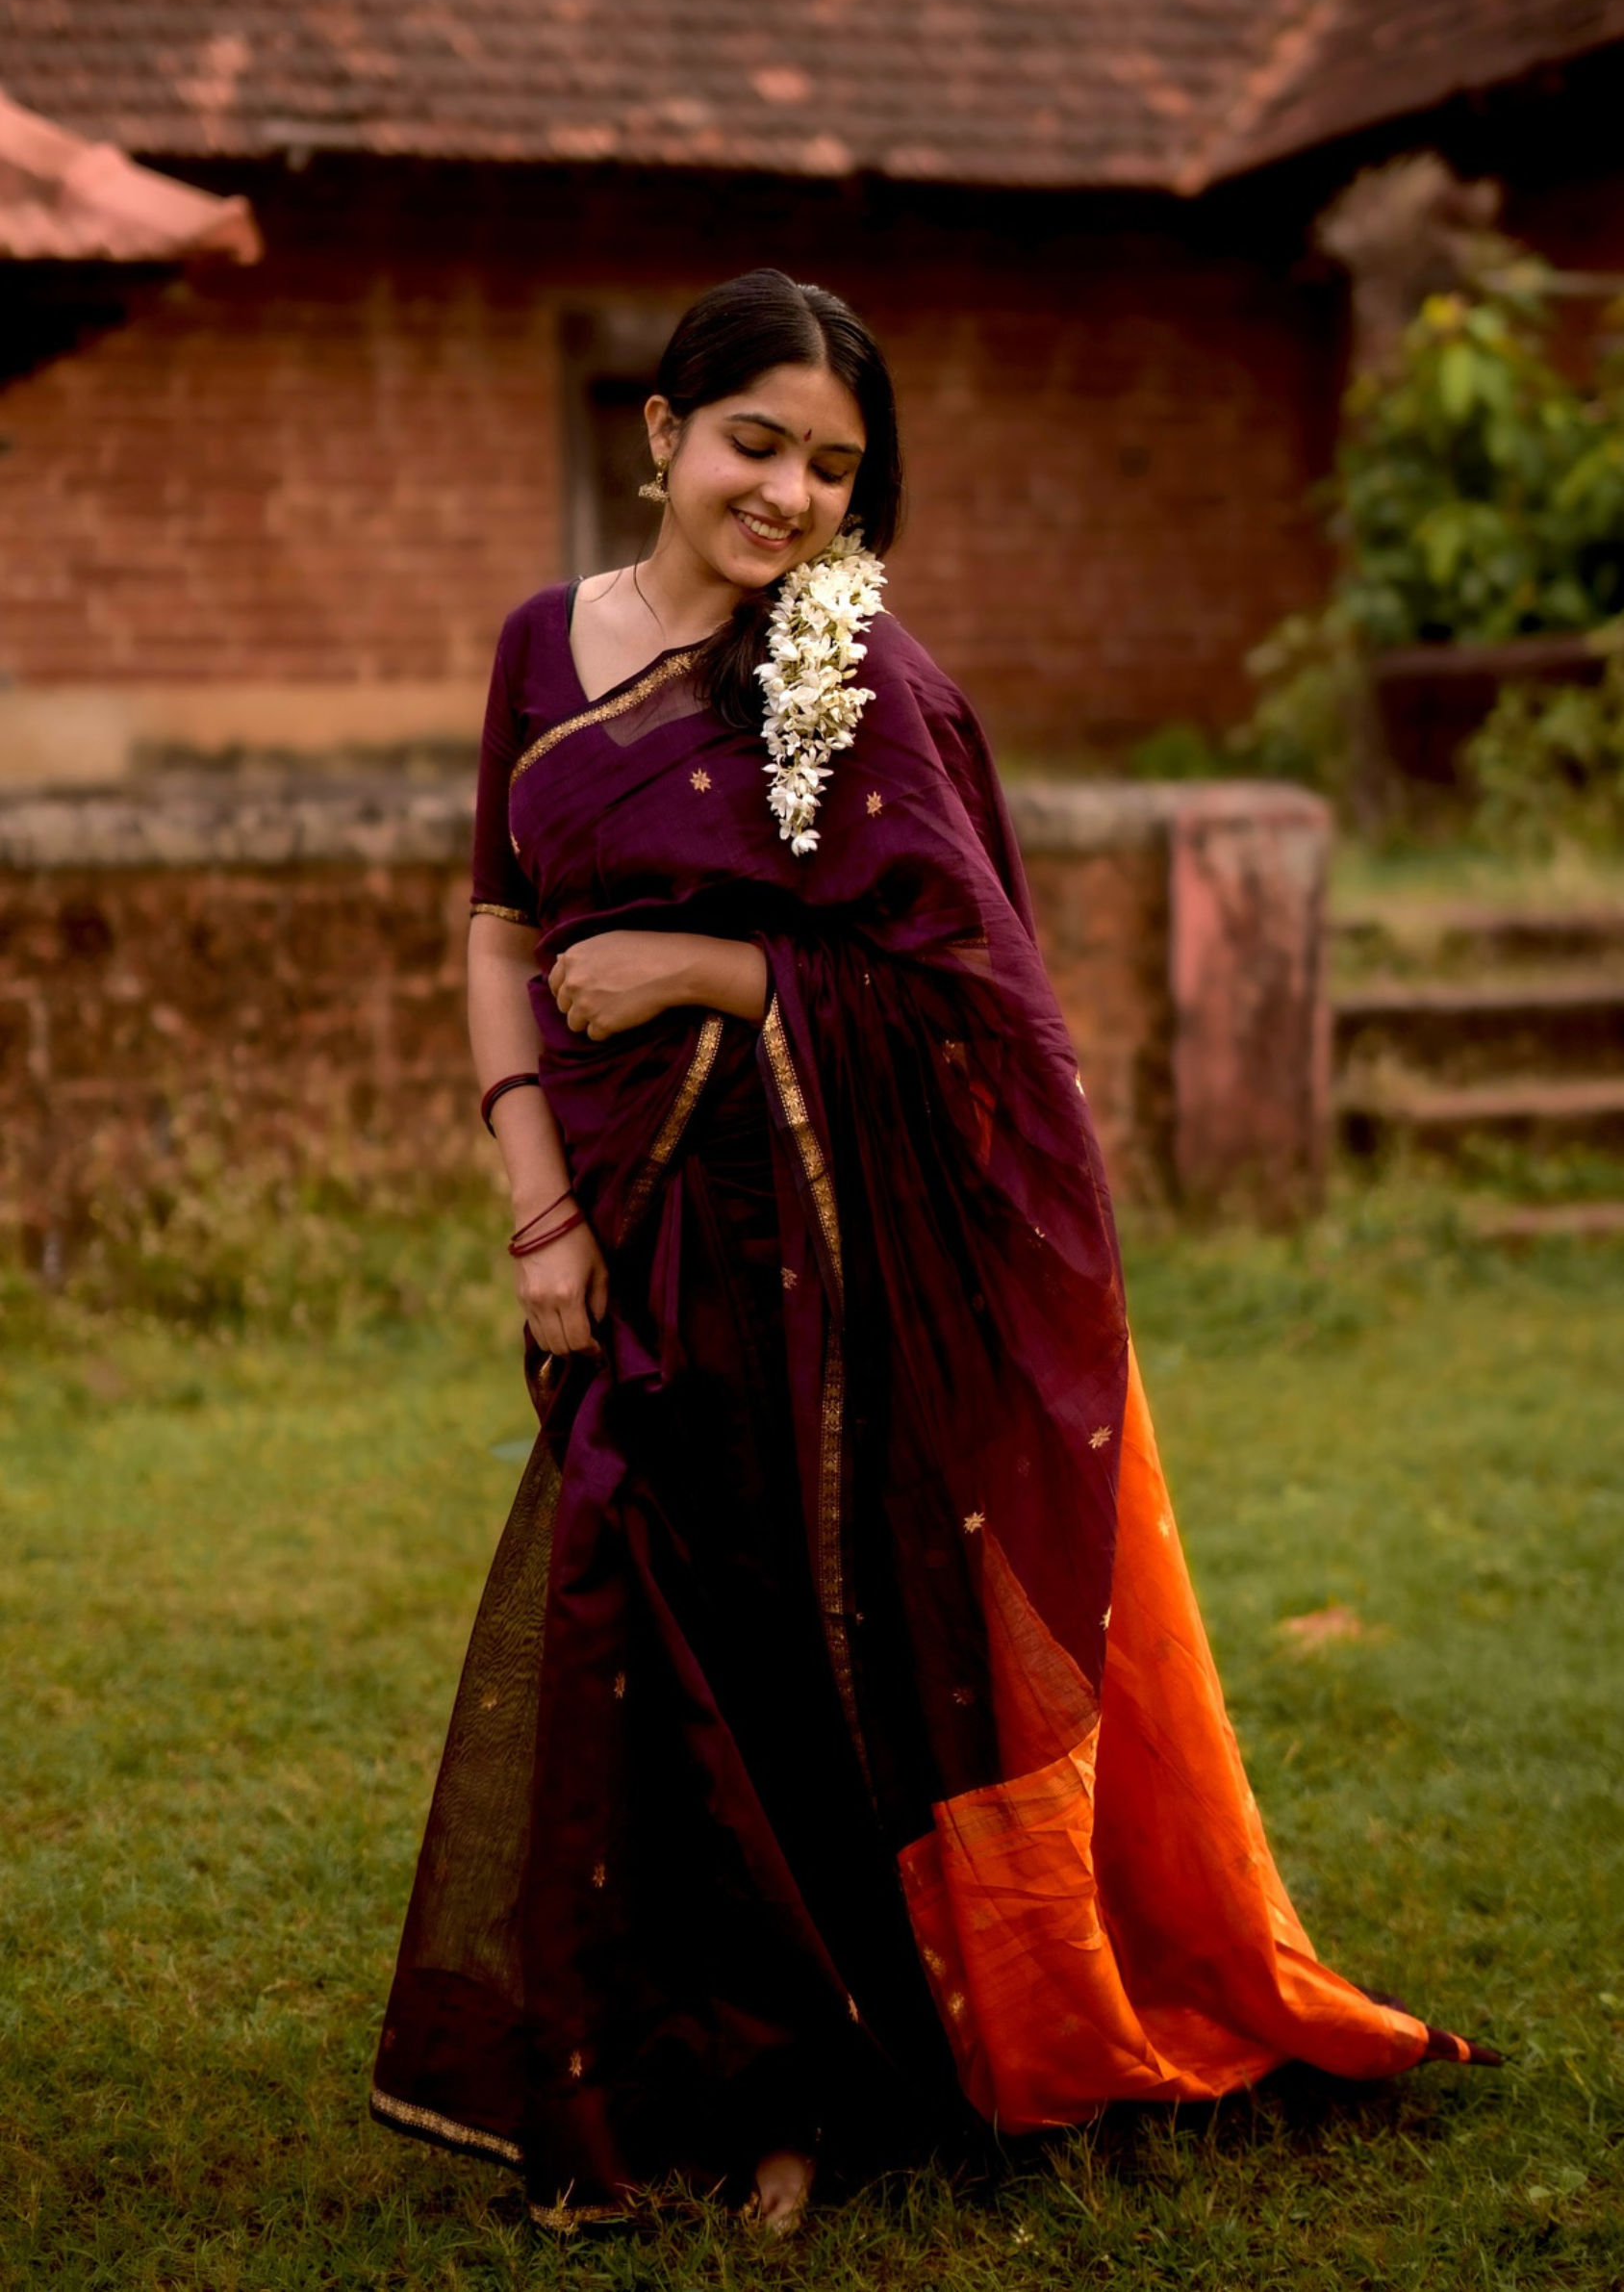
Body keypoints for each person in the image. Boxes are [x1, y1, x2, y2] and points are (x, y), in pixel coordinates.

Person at [370, 268, 1493, 2234]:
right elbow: (491, 926)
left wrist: (709, 966)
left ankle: (813, 2094)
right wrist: (534, 1203)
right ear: (657, 430)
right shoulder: (538, 651)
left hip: (825, 1261)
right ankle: (624, 2079)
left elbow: (983, 1008)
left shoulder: (865, 680)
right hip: (621, 1227)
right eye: (755, 442)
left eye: (833, 468)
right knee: (636, 1640)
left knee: (808, 1661)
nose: (791, 495)